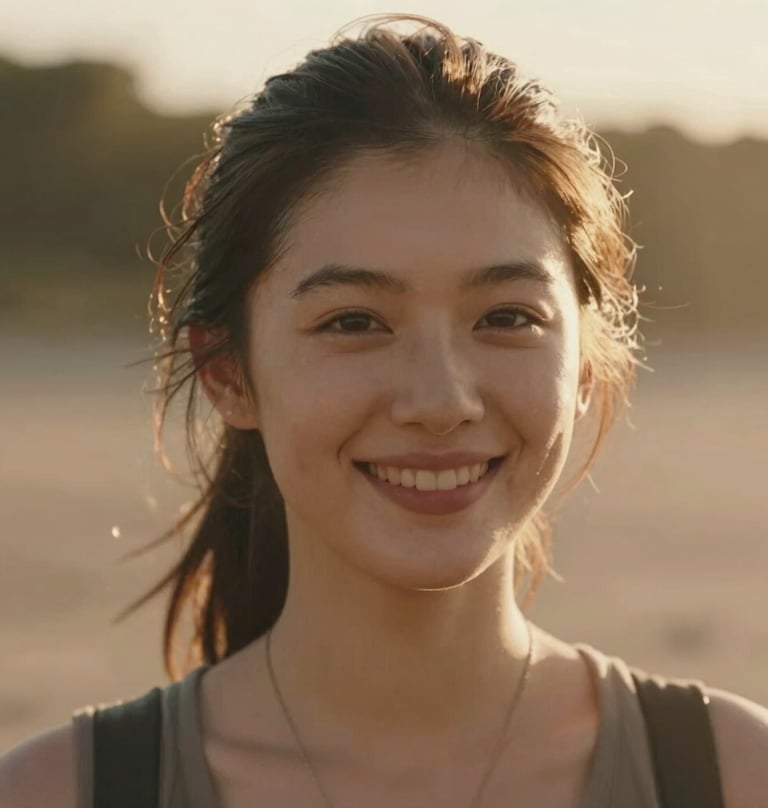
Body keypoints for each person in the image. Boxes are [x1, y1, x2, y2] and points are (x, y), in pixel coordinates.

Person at [1, 14, 766, 808]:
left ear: (583, 365)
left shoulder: (730, 777)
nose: (440, 401)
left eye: (506, 317)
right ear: (227, 372)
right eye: (354, 322)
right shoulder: (62, 791)